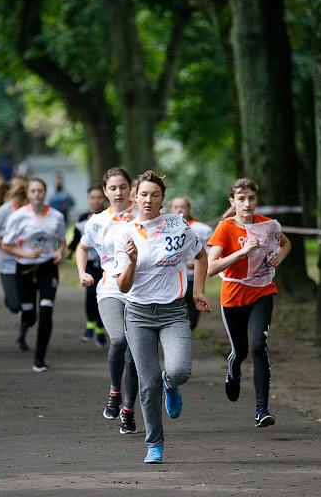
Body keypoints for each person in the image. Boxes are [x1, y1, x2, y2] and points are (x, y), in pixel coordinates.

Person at [113, 170, 211, 463]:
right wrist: (131, 262)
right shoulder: (125, 232)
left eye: (154, 195)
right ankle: (154, 444)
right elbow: (123, 286)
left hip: (173, 311)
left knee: (179, 371)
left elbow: (201, 255)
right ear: (134, 197)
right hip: (138, 314)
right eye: (143, 194)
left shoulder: (177, 225)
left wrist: (198, 291)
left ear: (162, 198)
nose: (148, 200)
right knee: (147, 382)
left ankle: (171, 384)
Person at [206, 178, 292, 428]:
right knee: (241, 351)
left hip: (262, 292)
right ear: (232, 201)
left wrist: (279, 257)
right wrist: (241, 252)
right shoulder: (225, 228)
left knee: (258, 347)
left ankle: (262, 409)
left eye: (251, 198)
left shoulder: (268, 225)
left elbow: (286, 243)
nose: (247, 204)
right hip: (233, 296)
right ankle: (233, 370)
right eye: (241, 199)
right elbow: (211, 268)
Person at [75, 168, 141, 434]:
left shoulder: (144, 215)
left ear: (131, 189)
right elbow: (82, 247)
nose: (118, 192)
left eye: (123, 187)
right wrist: (82, 272)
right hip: (111, 288)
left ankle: (129, 409)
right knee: (119, 339)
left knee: (135, 352)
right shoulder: (97, 221)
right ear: (105, 191)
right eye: (113, 188)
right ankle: (115, 391)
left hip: (141, 290)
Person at [2, 178, 66, 372]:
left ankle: (40, 358)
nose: (37, 194)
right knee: (30, 317)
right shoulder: (18, 217)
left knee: (46, 311)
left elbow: (61, 241)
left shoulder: (56, 216)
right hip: (25, 268)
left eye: (40, 191)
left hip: (48, 267)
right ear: (28, 194)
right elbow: (6, 245)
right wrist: (25, 254)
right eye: (33, 191)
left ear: (45, 193)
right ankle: (25, 316)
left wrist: (59, 251)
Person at [66, 185, 109, 347]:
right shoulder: (83, 218)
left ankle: (100, 328)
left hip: (105, 264)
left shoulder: (109, 217)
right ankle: (90, 323)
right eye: (93, 197)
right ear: (89, 200)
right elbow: (78, 237)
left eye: (99, 197)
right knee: (91, 292)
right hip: (90, 262)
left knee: (102, 296)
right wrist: (70, 250)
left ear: (104, 199)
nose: (96, 200)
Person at [0, 177, 29, 317]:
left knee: (27, 300)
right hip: (7, 262)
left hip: (27, 261)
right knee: (15, 304)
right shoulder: (4, 211)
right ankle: (11, 300)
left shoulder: (32, 209)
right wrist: (4, 244)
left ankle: (25, 321)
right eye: (16, 188)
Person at [169, 196, 214, 331]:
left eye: (183, 207)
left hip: (194, 279)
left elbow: (211, 252)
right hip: (173, 280)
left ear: (188, 209)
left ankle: (186, 332)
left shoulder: (202, 229)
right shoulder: (165, 229)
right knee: (176, 315)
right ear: (171, 209)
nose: (179, 210)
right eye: (176, 207)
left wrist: (196, 262)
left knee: (192, 317)